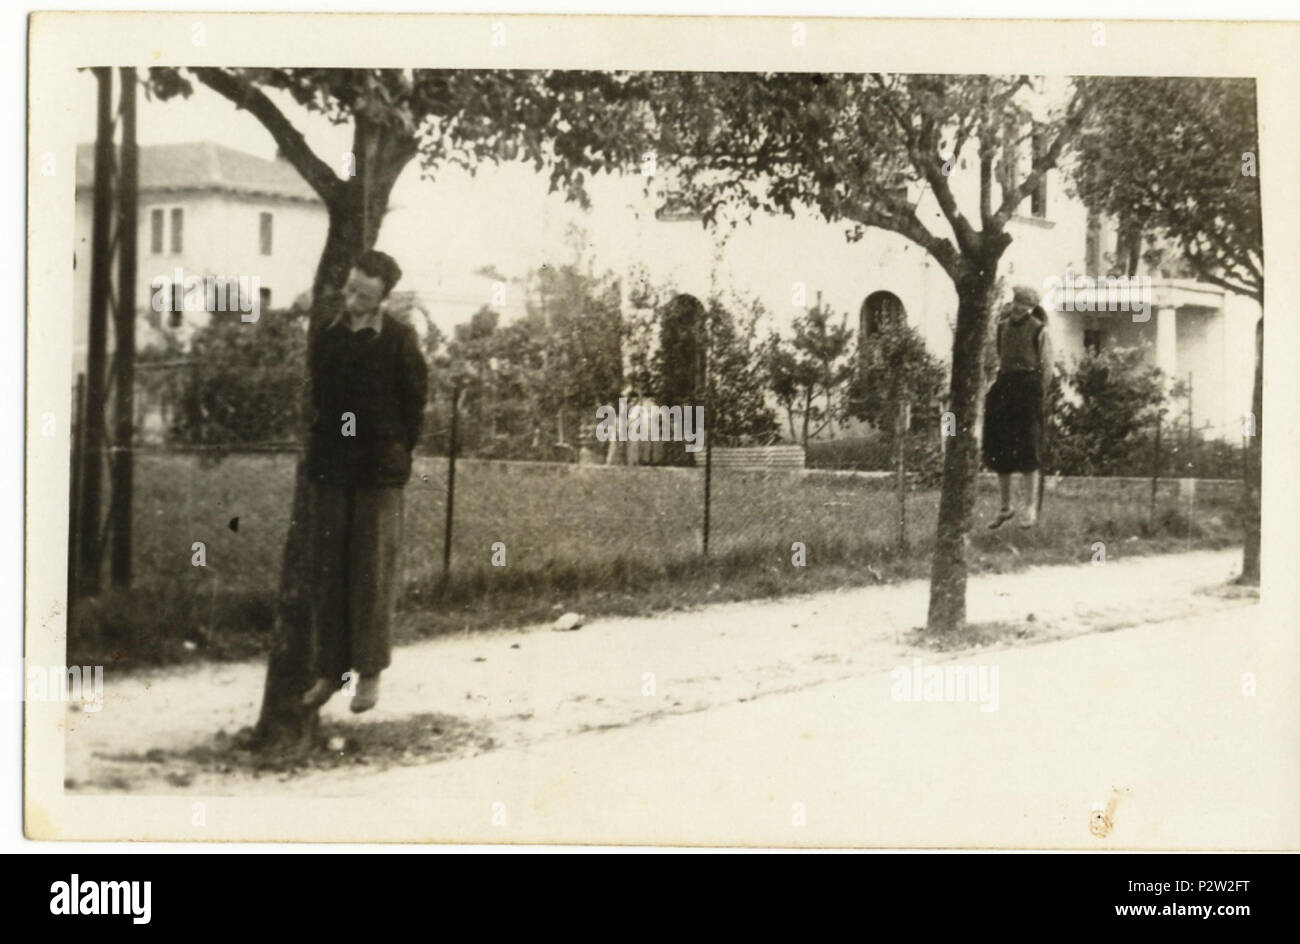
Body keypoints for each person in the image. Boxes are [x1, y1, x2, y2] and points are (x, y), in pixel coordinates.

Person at [299, 251, 428, 713]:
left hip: (378, 469)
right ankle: (329, 672)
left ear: (382, 298)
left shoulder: (398, 339)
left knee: (372, 572)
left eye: (364, 294)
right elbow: (316, 395)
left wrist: (394, 449)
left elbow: (414, 403)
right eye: (350, 289)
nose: (352, 299)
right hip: (332, 465)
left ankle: (369, 674)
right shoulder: (328, 337)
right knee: (330, 570)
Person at [982, 285, 1052, 530]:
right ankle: (1005, 506)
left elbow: (1047, 367)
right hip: (1006, 386)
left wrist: (1038, 396)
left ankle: (1030, 508)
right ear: (1012, 303)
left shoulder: (1039, 330)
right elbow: (1002, 356)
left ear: (1031, 307)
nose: (1019, 308)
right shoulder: (1002, 327)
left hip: (1028, 387)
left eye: (1025, 304)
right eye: (1016, 302)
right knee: (999, 448)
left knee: (1028, 447)